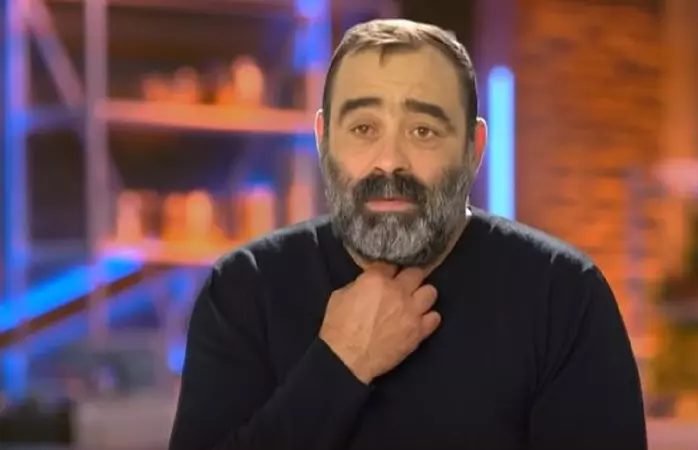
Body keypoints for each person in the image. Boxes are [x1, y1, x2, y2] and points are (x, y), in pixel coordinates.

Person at [168, 19, 647, 450]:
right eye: (363, 128)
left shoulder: (564, 296)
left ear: (474, 149)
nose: (389, 160)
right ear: (323, 141)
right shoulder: (244, 289)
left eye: (423, 131)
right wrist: (340, 364)